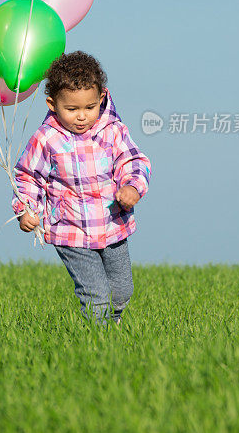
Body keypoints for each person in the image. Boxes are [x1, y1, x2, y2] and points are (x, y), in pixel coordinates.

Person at [12, 51, 151, 328]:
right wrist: (26, 210)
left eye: (89, 107)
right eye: (72, 109)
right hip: (70, 229)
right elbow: (29, 176)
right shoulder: (47, 138)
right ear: (52, 104)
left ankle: (115, 323)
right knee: (96, 295)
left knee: (122, 289)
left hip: (112, 225)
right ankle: (97, 342)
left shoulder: (112, 130)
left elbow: (133, 160)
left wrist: (132, 187)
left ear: (101, 99)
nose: (81, 117)